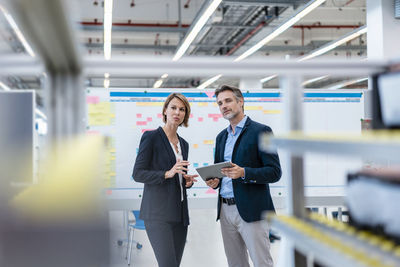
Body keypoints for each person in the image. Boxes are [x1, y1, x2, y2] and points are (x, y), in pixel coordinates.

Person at [206, 85, 281, 267]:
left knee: (261, 262)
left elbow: (274, 171)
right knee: (235, 263)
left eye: (228, 100)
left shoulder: (262, 131)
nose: (224, 106)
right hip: (225, 210)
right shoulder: (221, 137)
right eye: (220, 103)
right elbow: (220, 173)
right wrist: (214, 182)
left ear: (241, 102)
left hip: (252, 209)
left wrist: (244, 172)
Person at [132, 93, 198, 267]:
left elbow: (178, 178)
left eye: (182, 109)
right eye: (173, 107)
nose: (177, 112)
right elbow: (138, 173)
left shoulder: (184, 144)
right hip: (157, 214)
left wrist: (186, 182)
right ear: (165, 110)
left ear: (185, 114)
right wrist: (166, 174)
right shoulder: (151, 137)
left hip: (180, 213)